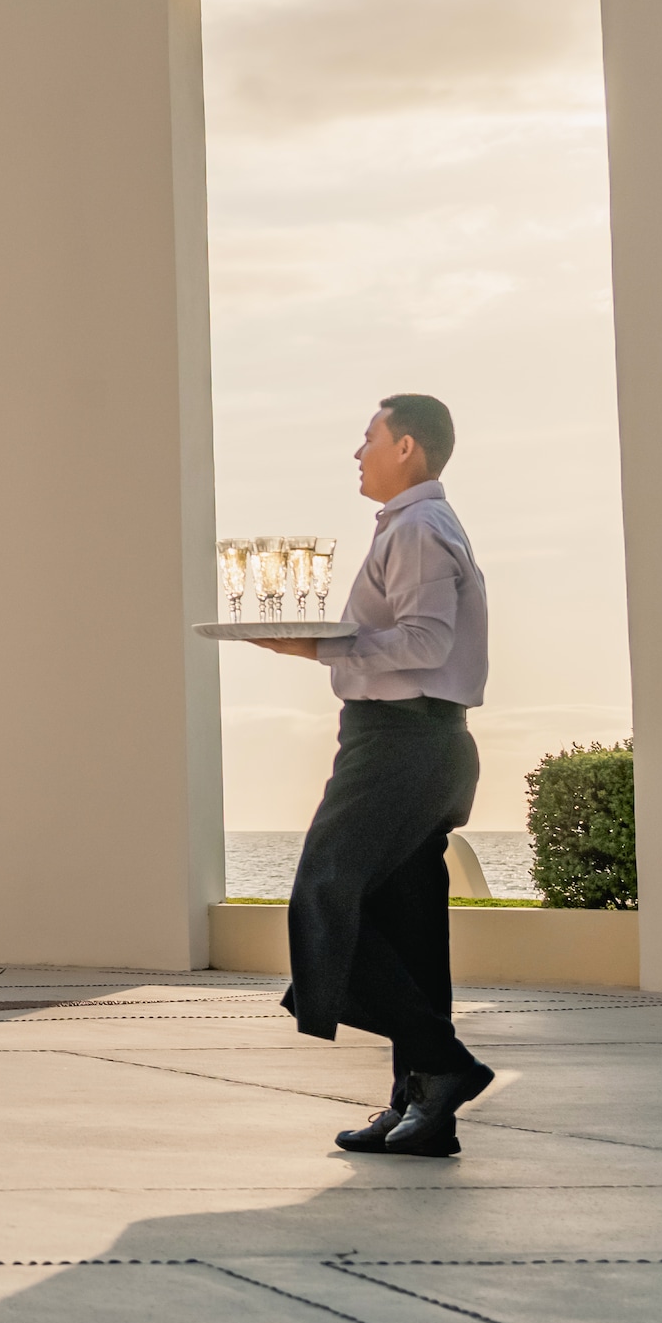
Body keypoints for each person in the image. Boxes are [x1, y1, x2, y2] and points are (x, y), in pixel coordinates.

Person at [246, 393, 494, 1157]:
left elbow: (422, 642)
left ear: (407, 448)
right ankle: (421, 1107)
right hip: (417, 741)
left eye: (368, 438)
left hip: (401, 743)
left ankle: (445, 1068)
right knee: (406, 925)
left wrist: (315, 649)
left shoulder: (418, 528)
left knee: (325, 896)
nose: (358, 453)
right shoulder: (418, 525)